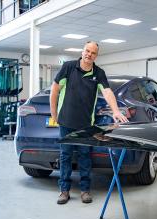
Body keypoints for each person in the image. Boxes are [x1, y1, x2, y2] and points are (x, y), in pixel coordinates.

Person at [50, 41, 128, 205]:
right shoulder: (68, 67)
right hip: (66, 121)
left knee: (85, 157)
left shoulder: (98, 73)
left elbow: (107, 92)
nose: (89, 54)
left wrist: (115, 110)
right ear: (82, 51)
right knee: (65, 156)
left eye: (93, 53)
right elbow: (55, 89)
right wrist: (54, 113)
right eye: (87, 51)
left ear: (96, 55)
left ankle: (85, 190)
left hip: (86, 124)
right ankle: (64, 191)